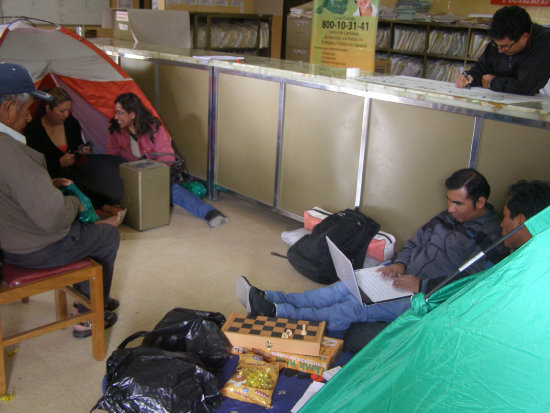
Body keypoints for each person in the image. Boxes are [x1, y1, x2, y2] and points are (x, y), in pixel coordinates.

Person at [236, 168, 505, 331]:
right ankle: (270, 296)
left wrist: (422, 285)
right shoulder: (448, 217)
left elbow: (472, 284)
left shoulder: (490, 237)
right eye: (449, 201)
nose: (450, 209)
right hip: (402, 276)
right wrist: (399, 263)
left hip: (424, 296)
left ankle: (277, 313)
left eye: (458, 203)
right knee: (342, 288)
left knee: (353, 308)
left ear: (480, 201)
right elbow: (416, 243)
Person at [0, 63, 119, 338]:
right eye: (26, 109)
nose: (28, 118)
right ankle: (88, 314)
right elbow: (53, 217)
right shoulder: (11, 152)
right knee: (106, 235)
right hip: (28, 249)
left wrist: (46, 185)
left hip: (5, 241)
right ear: (7, 109)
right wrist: (74, 204)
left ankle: (93, 296)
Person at [106, 93, 228, 227]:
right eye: (115, 112)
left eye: (120, 113)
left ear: (133, 114)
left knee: (174, 191)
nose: (116, 117)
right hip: (129, 178)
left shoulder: (153, 128)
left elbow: (167, 157)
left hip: (155, 175)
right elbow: (111, 157)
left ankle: (210, 213)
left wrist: (149, 172)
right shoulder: (116, 131)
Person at [24, 87, 126, 224]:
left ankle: (112, 200)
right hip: (50, 173)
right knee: (69, 178)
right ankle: (104, 207)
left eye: (68, 110)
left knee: (100, 168)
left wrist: (81, 151)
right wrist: (59, 163)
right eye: (62, 111)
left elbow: (76, 149)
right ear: (48, 109)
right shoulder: (33, 130)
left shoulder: (71, 123)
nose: (66, 115)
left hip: (75, 167)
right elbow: (32, 165)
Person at [455, 6, 550, 96]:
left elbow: (526, 85)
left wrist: (492, 83)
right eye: (496, 45)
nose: (500, 51)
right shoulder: (499, 43)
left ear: (524, 37)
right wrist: (467, 77)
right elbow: (481, 69)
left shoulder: (545, 41)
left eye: (505, 46)